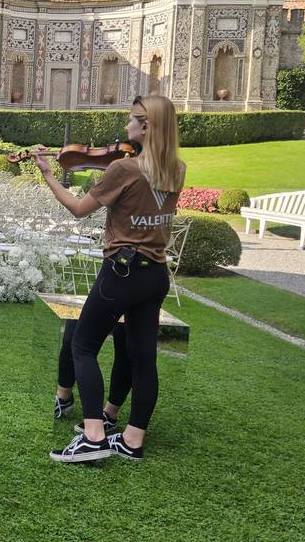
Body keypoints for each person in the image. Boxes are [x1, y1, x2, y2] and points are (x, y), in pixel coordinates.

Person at [36, 95, 185, 463]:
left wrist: (49, 175)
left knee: (82, 346)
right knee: (143, 359)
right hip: (155, 275)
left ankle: (93, 436)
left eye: (133, 120)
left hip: (122, 272)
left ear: (147, 126)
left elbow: (77, 209)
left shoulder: (125, 169)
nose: (126, 126)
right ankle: (132, 440)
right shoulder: (176, 169)